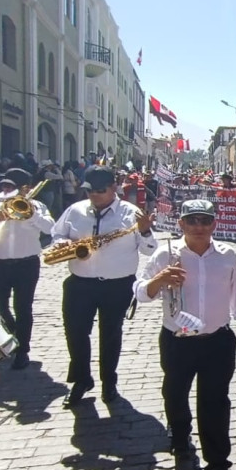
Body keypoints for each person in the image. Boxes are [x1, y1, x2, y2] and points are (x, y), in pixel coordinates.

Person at [136, 199, 236, 470]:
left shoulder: (227, 255)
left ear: (214, 224)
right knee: (175, 393)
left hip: (217, 339)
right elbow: (139, 292)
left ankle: (217, 462)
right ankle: (179, 436)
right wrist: (160, 279)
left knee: (215, 401)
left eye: (204, 221)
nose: (198, 227)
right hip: (178, 341)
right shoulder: (166, 254)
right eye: (192, 221)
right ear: (181, 224)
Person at [50, 165, 157, 407]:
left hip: (117, 286)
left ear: (113, 188)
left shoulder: (131, 213)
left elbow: (150, 250)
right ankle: (81, 379)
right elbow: (56, 234)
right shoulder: (75, 211)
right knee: (75, 333)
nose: (94, 196)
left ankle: (109, 382)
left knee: (110, 336)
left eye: (99, 191)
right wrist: (63, 244)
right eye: (90, 191)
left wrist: (146, 231)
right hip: (80, 283)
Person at [0, 168, 54, 369]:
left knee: (23, 307)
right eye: (5, 186)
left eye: (12, 187)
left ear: (26, 189)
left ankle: (23, 350)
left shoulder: (36, 205)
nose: (7, 190)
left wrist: (30, 215)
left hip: (26, 263)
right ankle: (12, 334)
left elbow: (50, 228)